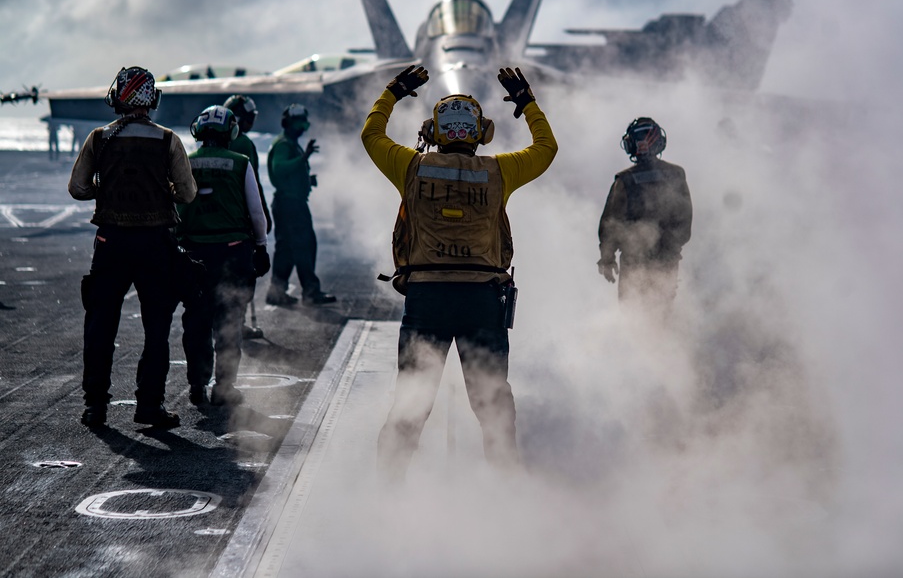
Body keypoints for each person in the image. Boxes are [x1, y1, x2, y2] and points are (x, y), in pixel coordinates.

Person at [362, 65, 557, 482]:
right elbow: (546, 148)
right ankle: (509, 487)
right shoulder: (498, 171)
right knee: (492, 403)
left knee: (412, 404)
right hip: (481, 302)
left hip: (426, 301)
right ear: (482, 132)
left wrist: (394, 92)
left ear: (432, 131)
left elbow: (371, 135)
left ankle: (386, 493)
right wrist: (526, 101)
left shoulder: (411, 167)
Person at [68, 66, 197, 429]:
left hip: (110, 242)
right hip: (155, 243)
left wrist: (105, 190)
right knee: (156, 328)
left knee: (100, 325)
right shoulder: (168, 139)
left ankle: (95, 406)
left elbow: (78, 189)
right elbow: (186, 193)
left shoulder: (99, 137)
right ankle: (149, 405)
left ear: (118, 98)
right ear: (152, 100)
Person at [177, 106, 270, 407]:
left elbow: (173, 210)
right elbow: (256, 214)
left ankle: (196, 385)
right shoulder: (241, 162)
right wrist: (261, 246)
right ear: (231, 132)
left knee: (196, 322)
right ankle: (224, 387)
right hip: (233, 254)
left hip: (194, 255)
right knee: (230, 322)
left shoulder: (185, 163)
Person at [597, 117, 693, 316]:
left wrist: (607, 258)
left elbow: (611, 223)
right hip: (667, 262)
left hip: (634, 263)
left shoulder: (625, 180)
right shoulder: (676, 175)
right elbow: (684, 220)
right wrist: (669, 247)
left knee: (633, 317)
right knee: (662, 314)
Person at [264, 104, 337, 306]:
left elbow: (287, 172)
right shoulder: (284, 145)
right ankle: (310, 292)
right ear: (288, 124)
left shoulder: (288, 143)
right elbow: (279, 169)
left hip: (288, 203)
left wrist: (305, 178)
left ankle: (276, 292)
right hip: (291, 205)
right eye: (298, 124)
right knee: (304, 245)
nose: (302, 128)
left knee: (286, 249)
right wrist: (303, 158)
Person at [223, 94, 271, 339]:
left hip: (220, 219)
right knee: (243, 276)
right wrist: (263, 215)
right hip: (241, 222)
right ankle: (237, 324)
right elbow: (253, 186)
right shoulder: (244, 145)